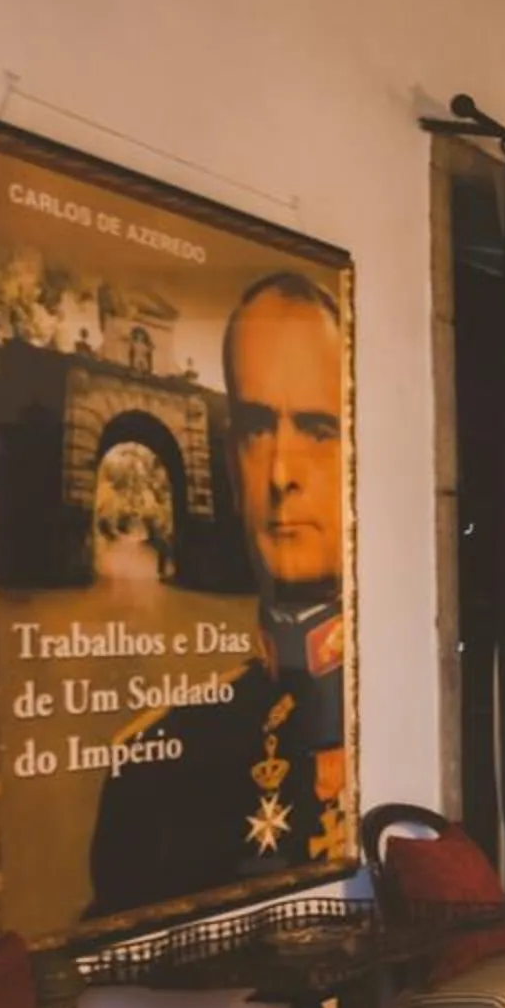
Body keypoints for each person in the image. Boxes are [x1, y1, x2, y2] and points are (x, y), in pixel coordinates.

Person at [88, 271, 350, 914]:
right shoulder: (146, 764)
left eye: (317, 429)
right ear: (232, 464)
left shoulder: (405, 698)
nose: (282, 473)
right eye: (259, 428)